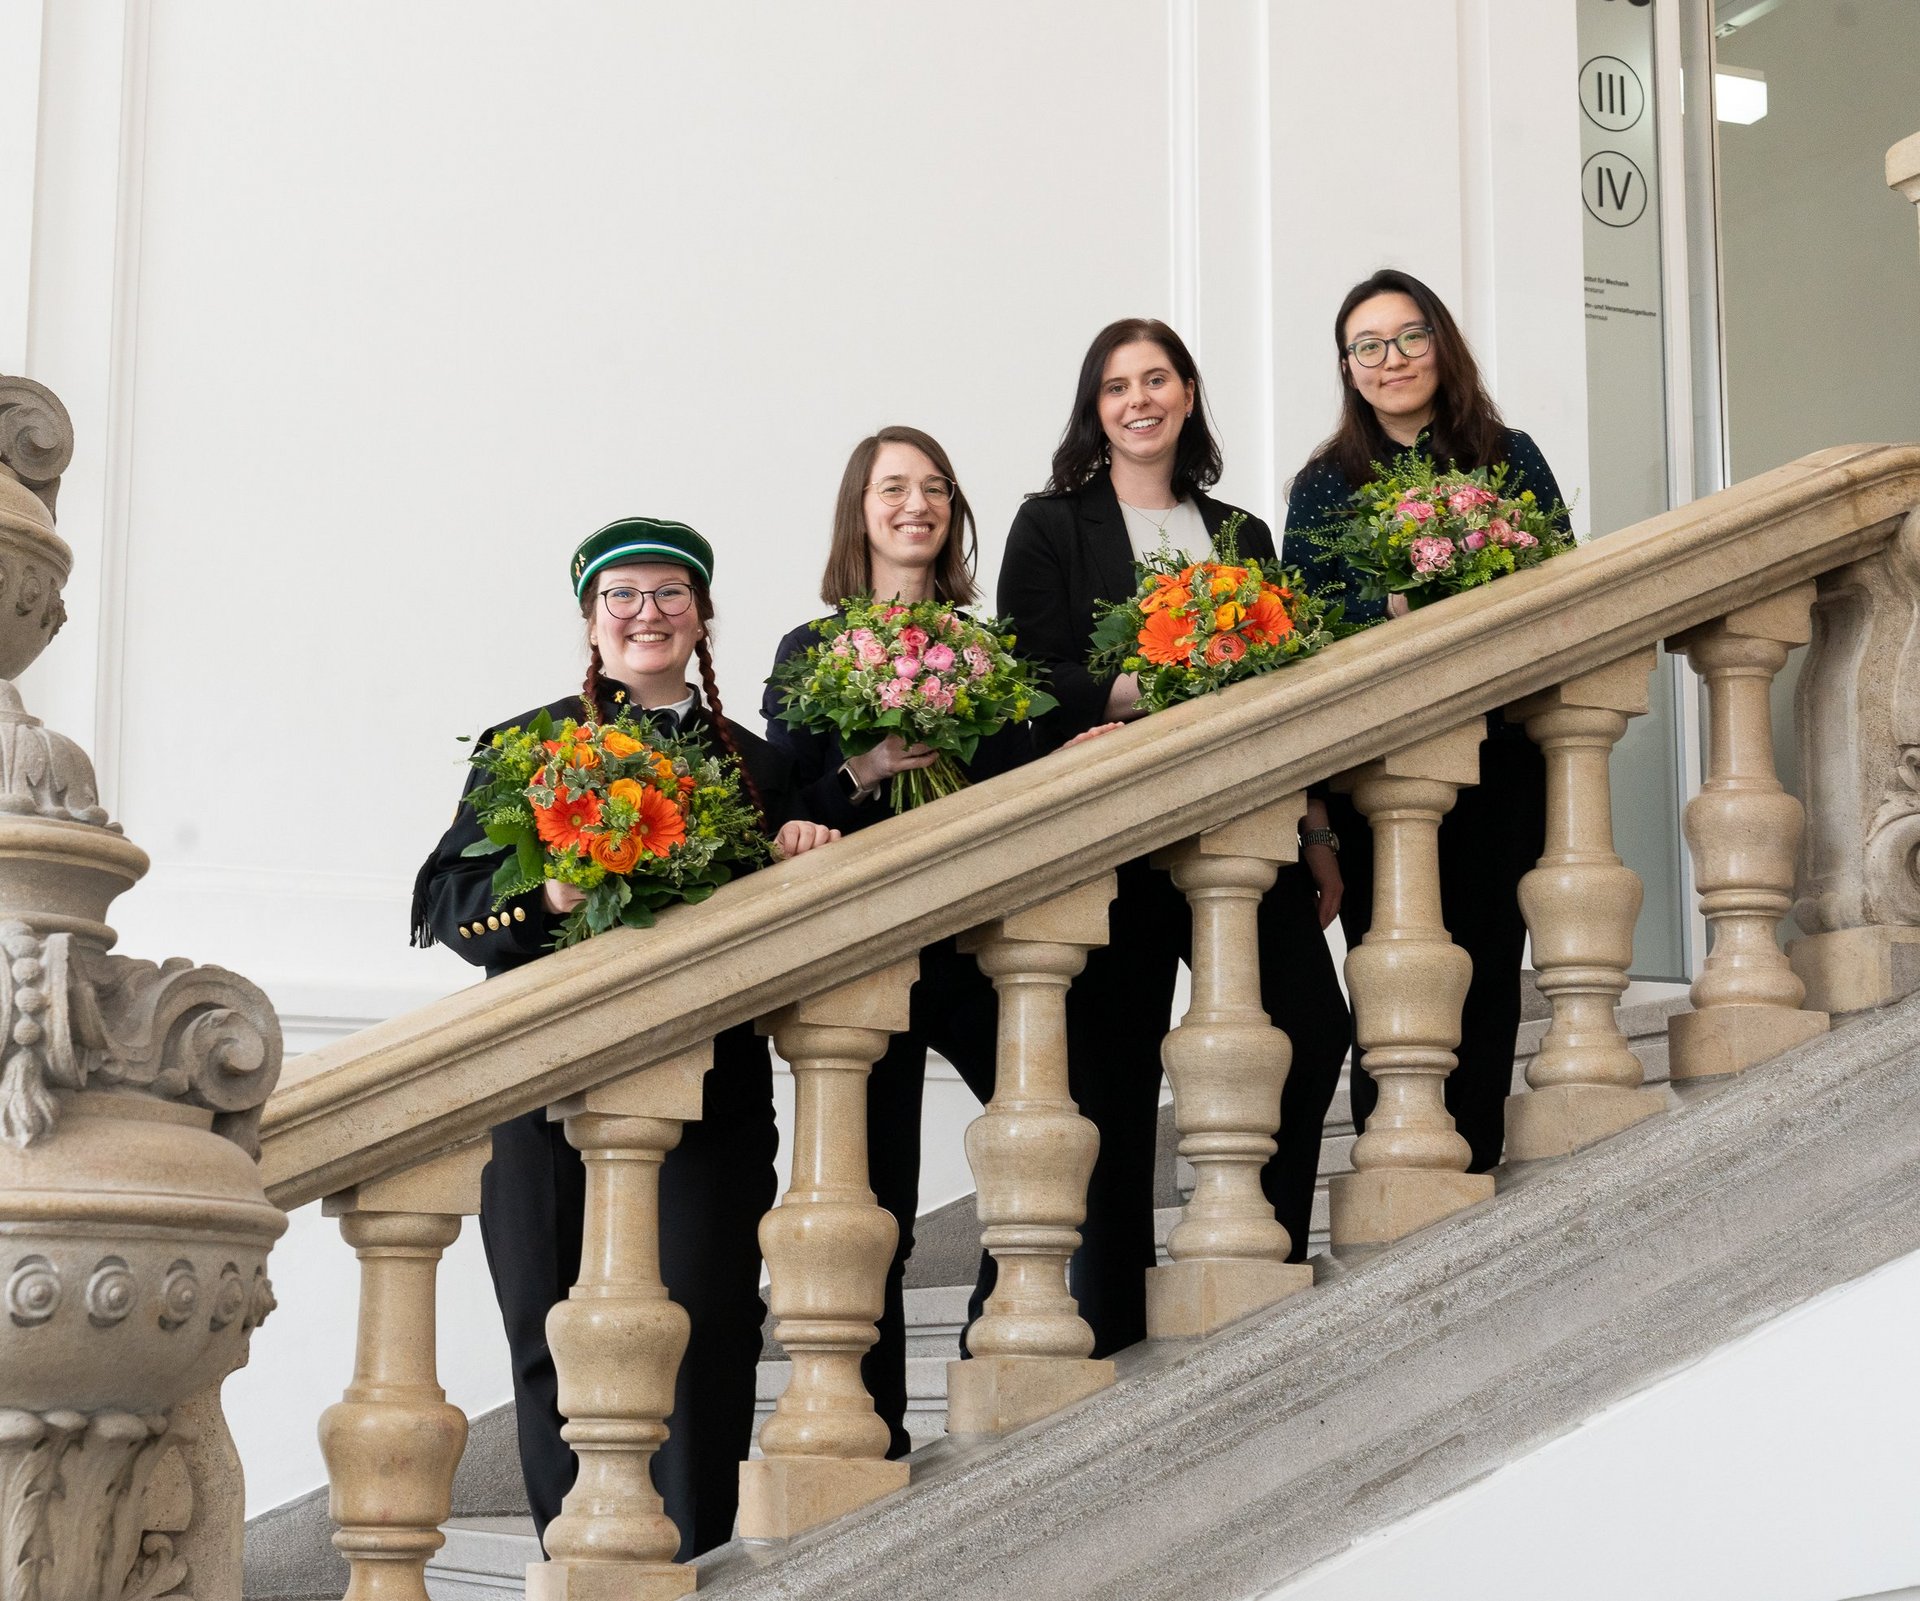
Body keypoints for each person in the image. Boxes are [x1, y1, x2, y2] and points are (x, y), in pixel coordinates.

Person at [411, 517, 839, 1560]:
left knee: (710, 1324)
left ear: (701, 618)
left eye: (670, 595)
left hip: (710, 1089)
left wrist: (803, 839)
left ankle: (693, 1556)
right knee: (548, 1322)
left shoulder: (759, 764)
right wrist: (547, 883)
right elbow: (442, 901)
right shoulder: (529, 745)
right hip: (545, 1079)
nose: (647, 613)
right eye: (623, 596)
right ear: (590, 620)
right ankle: (579, 1555)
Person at [997, 319, 1352, 1355]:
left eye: (1157, 379)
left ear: (1189, 394)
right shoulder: (1052, 525)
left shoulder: (1241, 532)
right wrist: (1141, 684)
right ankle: (1110, 1319)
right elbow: (1026, 677)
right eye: (1116, 386)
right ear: (1094, 407)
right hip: (1114, 836)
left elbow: (1292, 690)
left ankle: (1261, 1245)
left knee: (1313, 1025)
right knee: (1109, 1077)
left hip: (1247, 825)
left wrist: (1319, 826)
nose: (1138, 399)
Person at [760, 425, 1021, 1457]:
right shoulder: (807, 653)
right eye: (893, 488)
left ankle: (993, 1338)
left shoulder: (986, 652)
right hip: (860, 954)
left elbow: (1021, 784)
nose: (918, 504)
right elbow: (776, 816)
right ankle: (873, 1428)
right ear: (858, 510)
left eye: (937, 488)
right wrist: (864, 770)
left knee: (1055, 1113)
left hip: (967, 939)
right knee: (878, 1198)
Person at [1284, 267, 1569, 1174]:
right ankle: (1399, 1169)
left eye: (1408, 336)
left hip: (1503, 758)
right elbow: (1309, 632)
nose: (1391, 359)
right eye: (1367, 346)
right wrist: (1395, 615)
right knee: (1394, 977)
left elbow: (1566, 584)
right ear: (1348, 368)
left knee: (1488, 969)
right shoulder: (1325, 484)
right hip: (1383, 775)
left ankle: (1475, 1161)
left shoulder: (1509, 455)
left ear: (1441, 342)